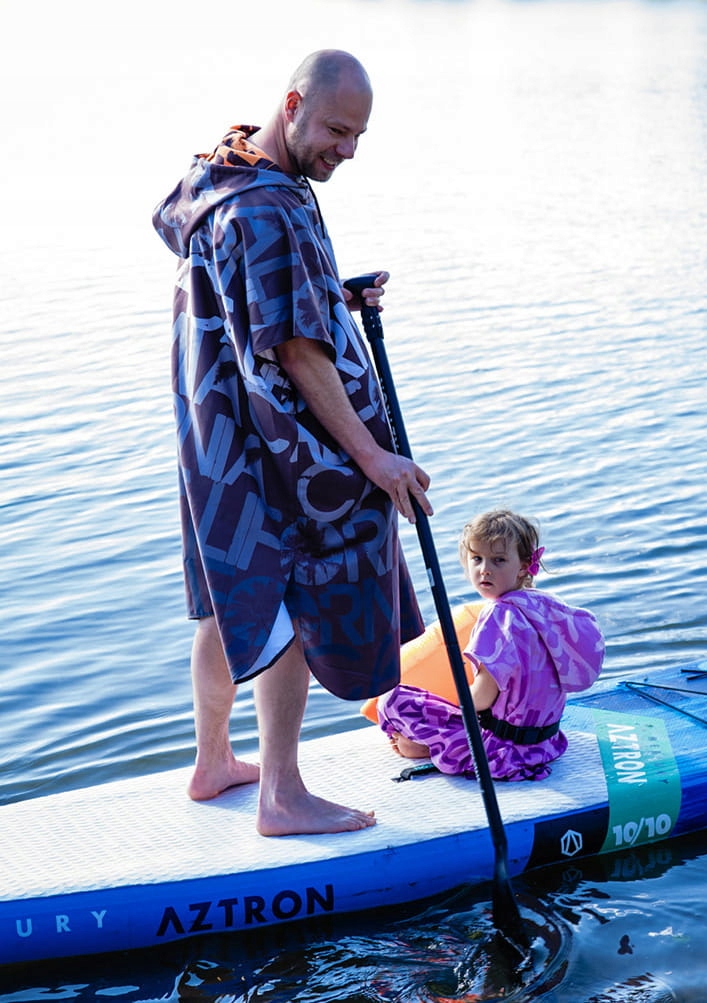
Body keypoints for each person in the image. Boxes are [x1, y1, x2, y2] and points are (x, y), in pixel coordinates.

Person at [152, 50, 432, 837]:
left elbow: (254, 298)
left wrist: (328, 296)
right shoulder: (271, 208)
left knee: (224, 593)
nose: (346, 149)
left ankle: (213, 762)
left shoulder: (220, 175)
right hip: (275, 443)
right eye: (337, 129)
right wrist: (373, 459)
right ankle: (282, 793)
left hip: (212, 432)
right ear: (292, 104)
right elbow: (298, 352)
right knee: (292, 589)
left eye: (358, 134)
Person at [377, 510, 605, 781]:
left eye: (498, 560)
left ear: (523, 566)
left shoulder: (497, 618)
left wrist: (446, 711)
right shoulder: (548, 607)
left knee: (392, 699)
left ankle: (427, 747)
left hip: (499, 750)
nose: (485, 569)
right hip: (545, 743)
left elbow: (482, 698)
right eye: (477, 559)